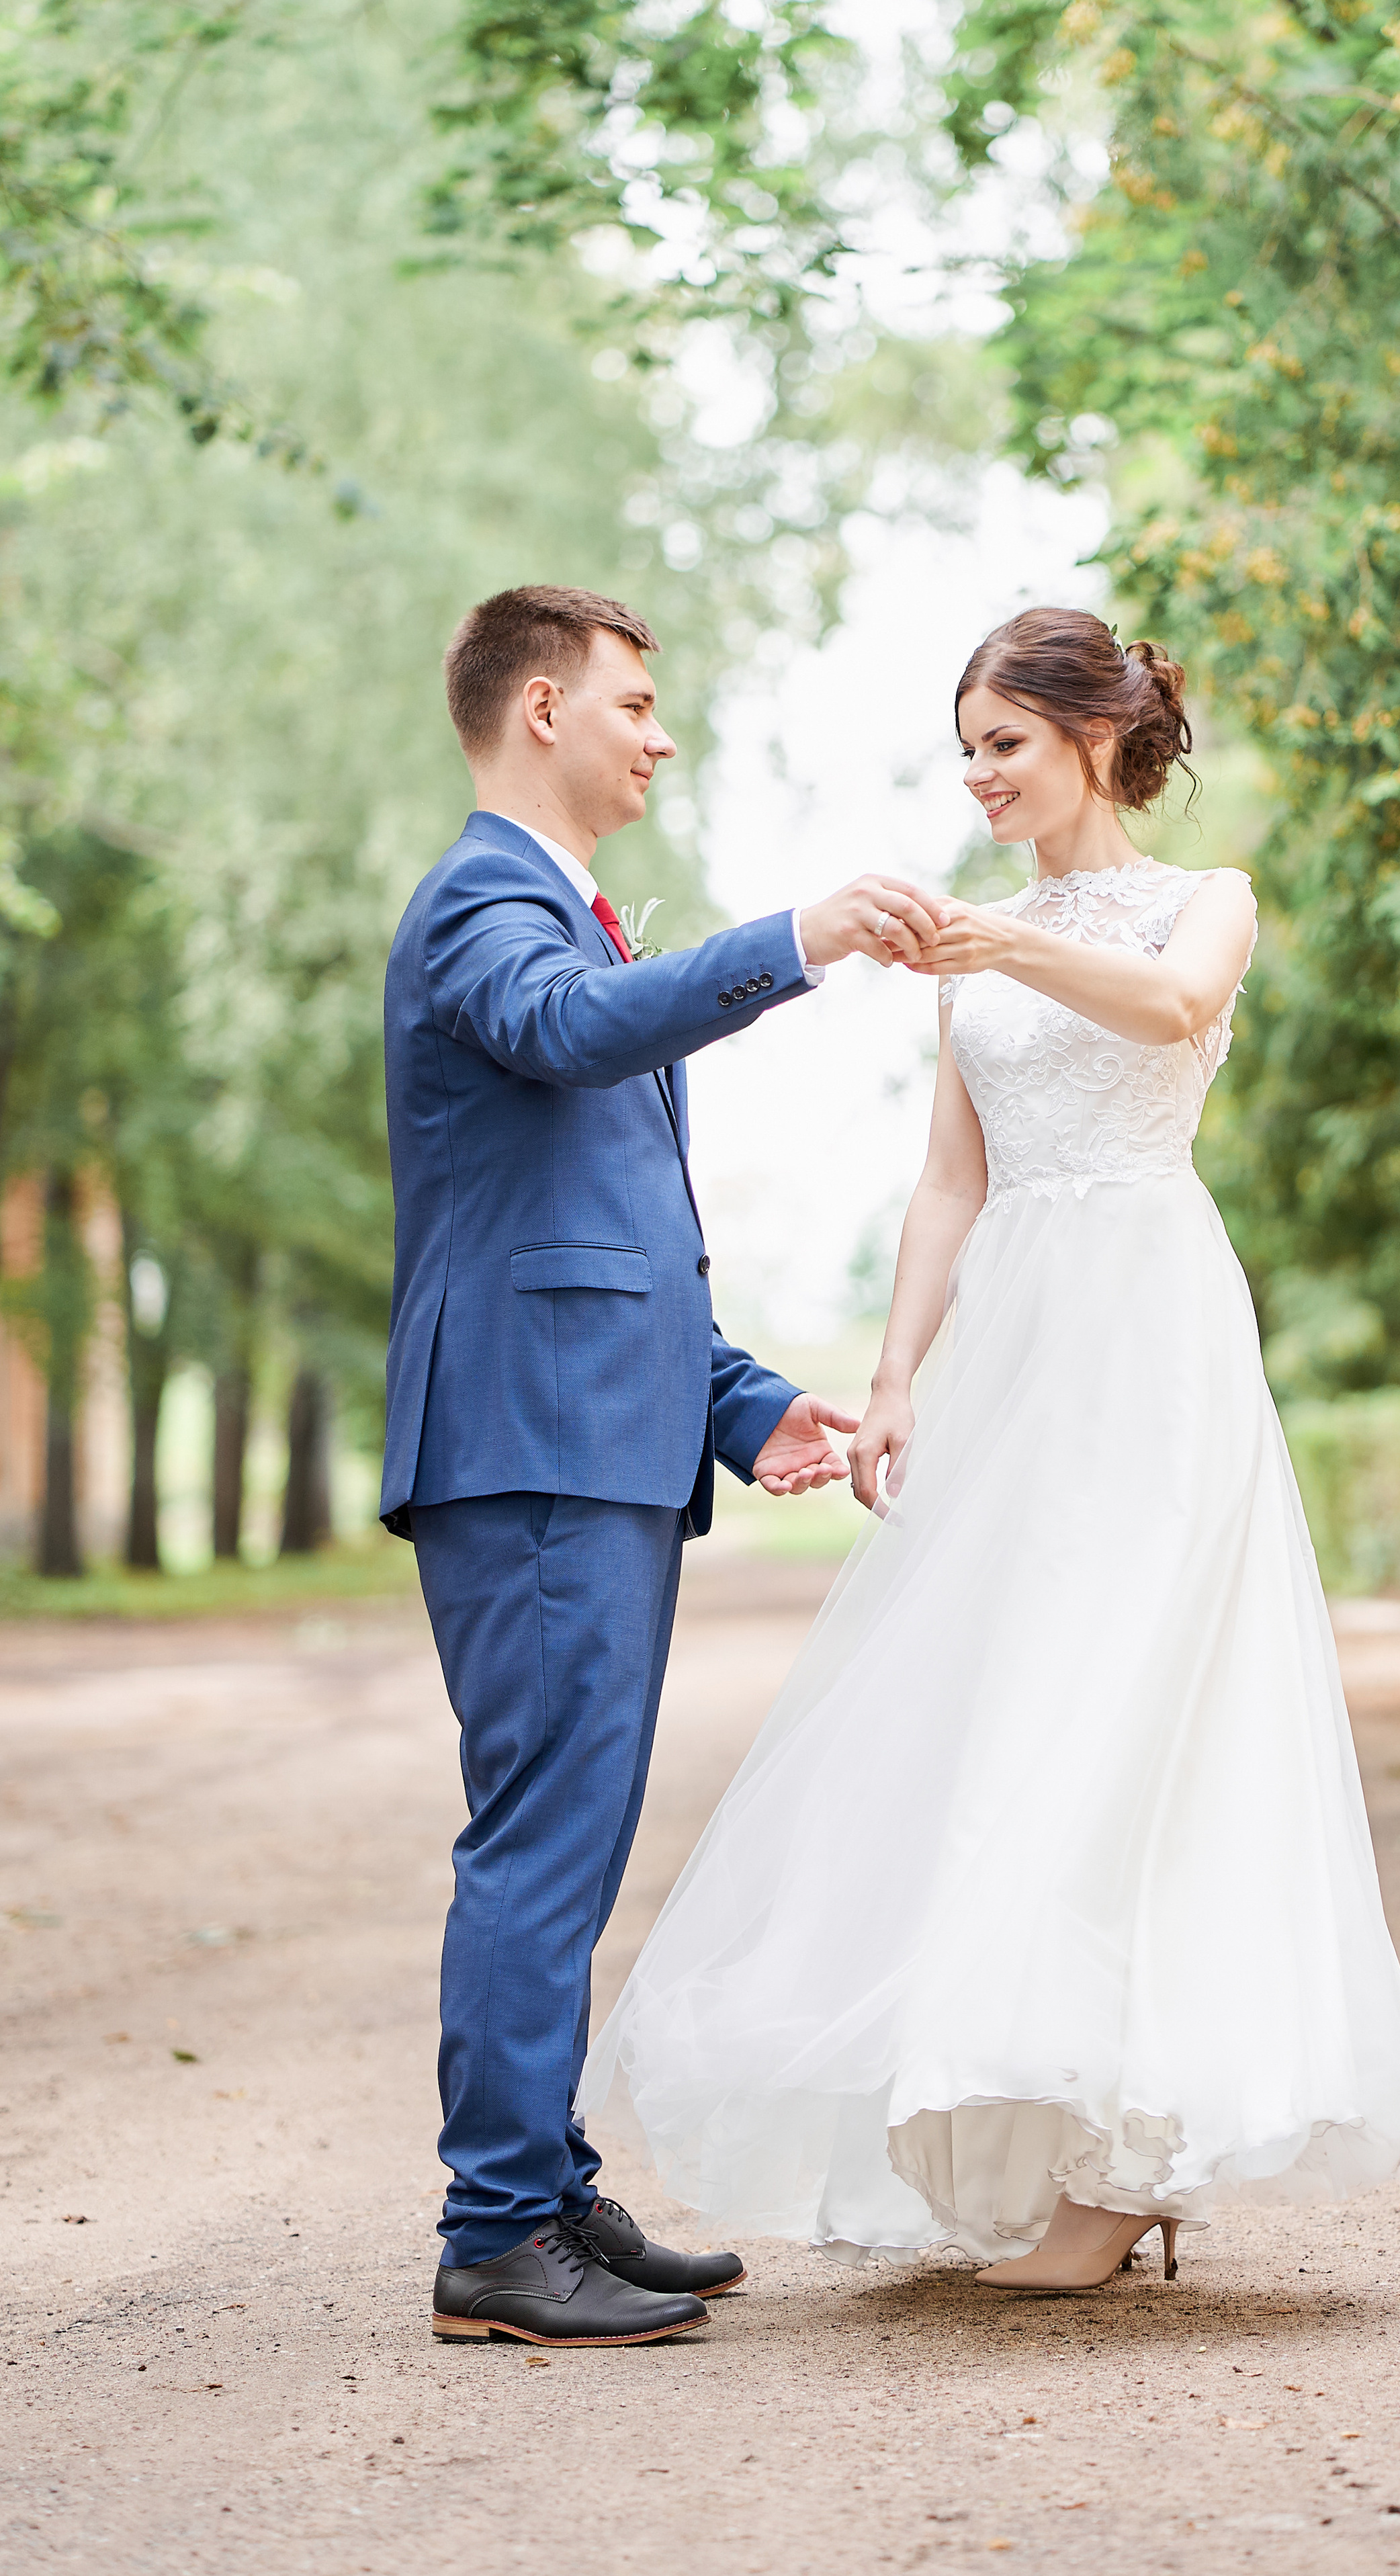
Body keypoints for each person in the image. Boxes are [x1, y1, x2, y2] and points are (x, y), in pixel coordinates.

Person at [582, 605, 1400, 2291]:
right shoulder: (975, 954)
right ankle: (1025, 2120)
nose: (978, 777)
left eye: (1002, 744)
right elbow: (949, 1179)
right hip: (1013, 1339)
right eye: (965, 752)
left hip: (1148, 1323)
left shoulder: (1201, 902)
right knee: (1002, 1698)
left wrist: (996, 944)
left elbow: (1170, 1007)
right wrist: (894, 1374)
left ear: (1093, 739)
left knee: (1127, 1694)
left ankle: (1135, 2154)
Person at [382, 583, 949, 2348]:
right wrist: (795, 939)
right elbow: (569, 1033)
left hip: (586, 1438)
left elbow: (592, 1239)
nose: (663, 732)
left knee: (571, 1831)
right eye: (634, 702)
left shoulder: (561, 919)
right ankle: (495, 2233)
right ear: (540, 709)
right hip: (531, 1451)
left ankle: (543, 2192)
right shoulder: (483, 906)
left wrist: (742, 1402)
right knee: (543, 1836)